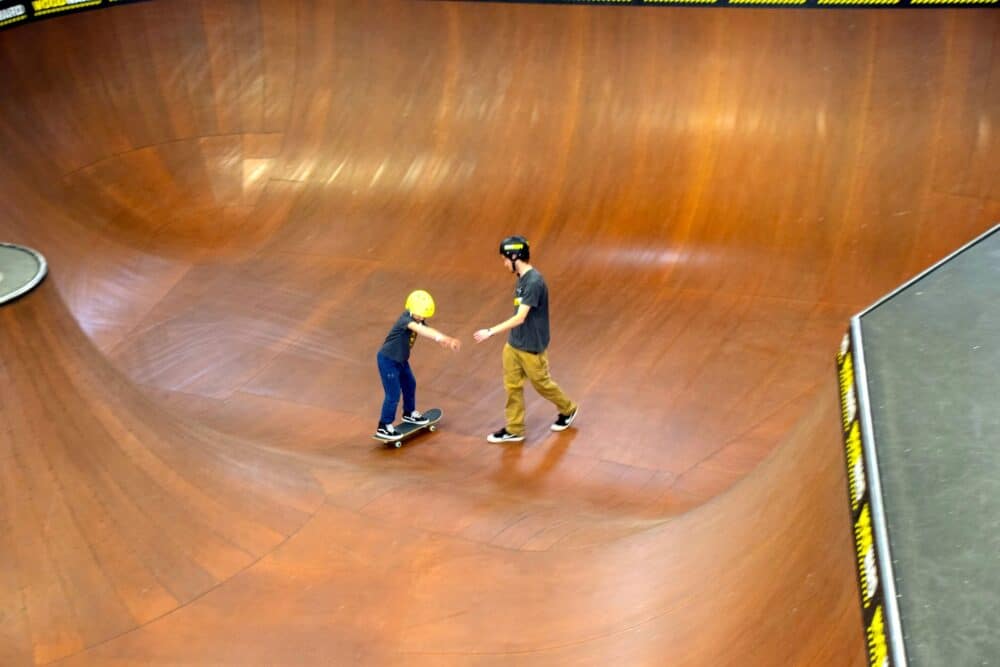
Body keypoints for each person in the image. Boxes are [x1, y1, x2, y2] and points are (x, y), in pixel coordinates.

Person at [473, 236, 578, 443]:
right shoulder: (521, 278)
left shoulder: (534, 282)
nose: (504, 263)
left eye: (505, 259)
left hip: (531, 346)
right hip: (514, 344)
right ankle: (514, 429)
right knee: (512, 387)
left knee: (542, 384)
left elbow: (520, 317)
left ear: (515, 256)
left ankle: (568, 408)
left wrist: (490, 331)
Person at [375, 290, 460, 441]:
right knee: (393, 394)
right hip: (388, 361)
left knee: (410, 384)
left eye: (424, 315)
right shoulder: (405, 320)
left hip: (400, 361)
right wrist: (442, 338)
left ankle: (409, 413)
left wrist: (445, 341)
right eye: (419, 314)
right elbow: (420, 329)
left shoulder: (418, 319)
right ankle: (384, 426)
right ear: (411, 308)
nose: (421, 317)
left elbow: (427, 329)